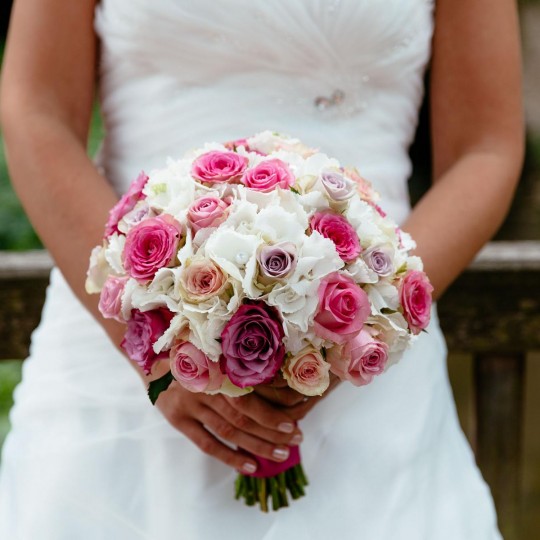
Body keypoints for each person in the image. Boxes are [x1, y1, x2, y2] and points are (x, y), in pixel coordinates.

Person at [0, 0, 523, 538]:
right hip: (123, 347)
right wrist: (152, 341)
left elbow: (484, 148)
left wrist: (363, 324)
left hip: (370, 368)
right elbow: (36, 112)